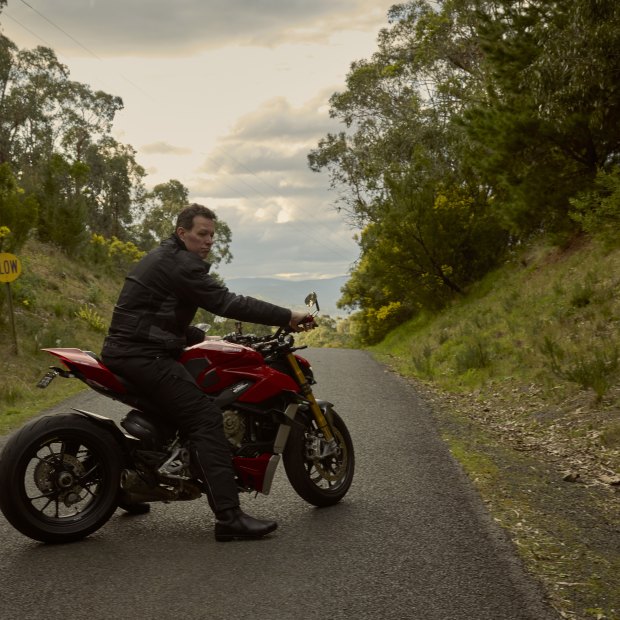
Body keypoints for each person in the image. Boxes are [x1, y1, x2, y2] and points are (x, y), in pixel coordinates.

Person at [101, 203, 309, 541]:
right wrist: (288, 316)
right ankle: (229, 518)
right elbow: (227, 302)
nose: (209, 240)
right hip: (143, 356)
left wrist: (201, 337)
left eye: (212, 235)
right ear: (182, 233)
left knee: (172, 416)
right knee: (204, 418)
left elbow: (154, 313)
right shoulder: (181, 264)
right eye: (202, 234)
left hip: (130, 350)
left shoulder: (164, 257)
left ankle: (129, 489)